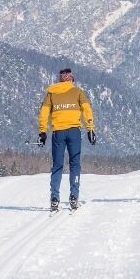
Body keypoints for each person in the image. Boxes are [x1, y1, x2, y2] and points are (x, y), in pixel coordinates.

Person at [38, 68, 96, 212]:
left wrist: (42, 132)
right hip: (74, 132)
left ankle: (54, 198)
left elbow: (43, 113)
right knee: (75, 164)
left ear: (60, 80)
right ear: (71, 79)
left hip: (58, 132)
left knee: (57, 165)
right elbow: (87, 110)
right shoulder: (78, 92)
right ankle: (74, 196)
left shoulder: (51, 93)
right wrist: (90, 128)